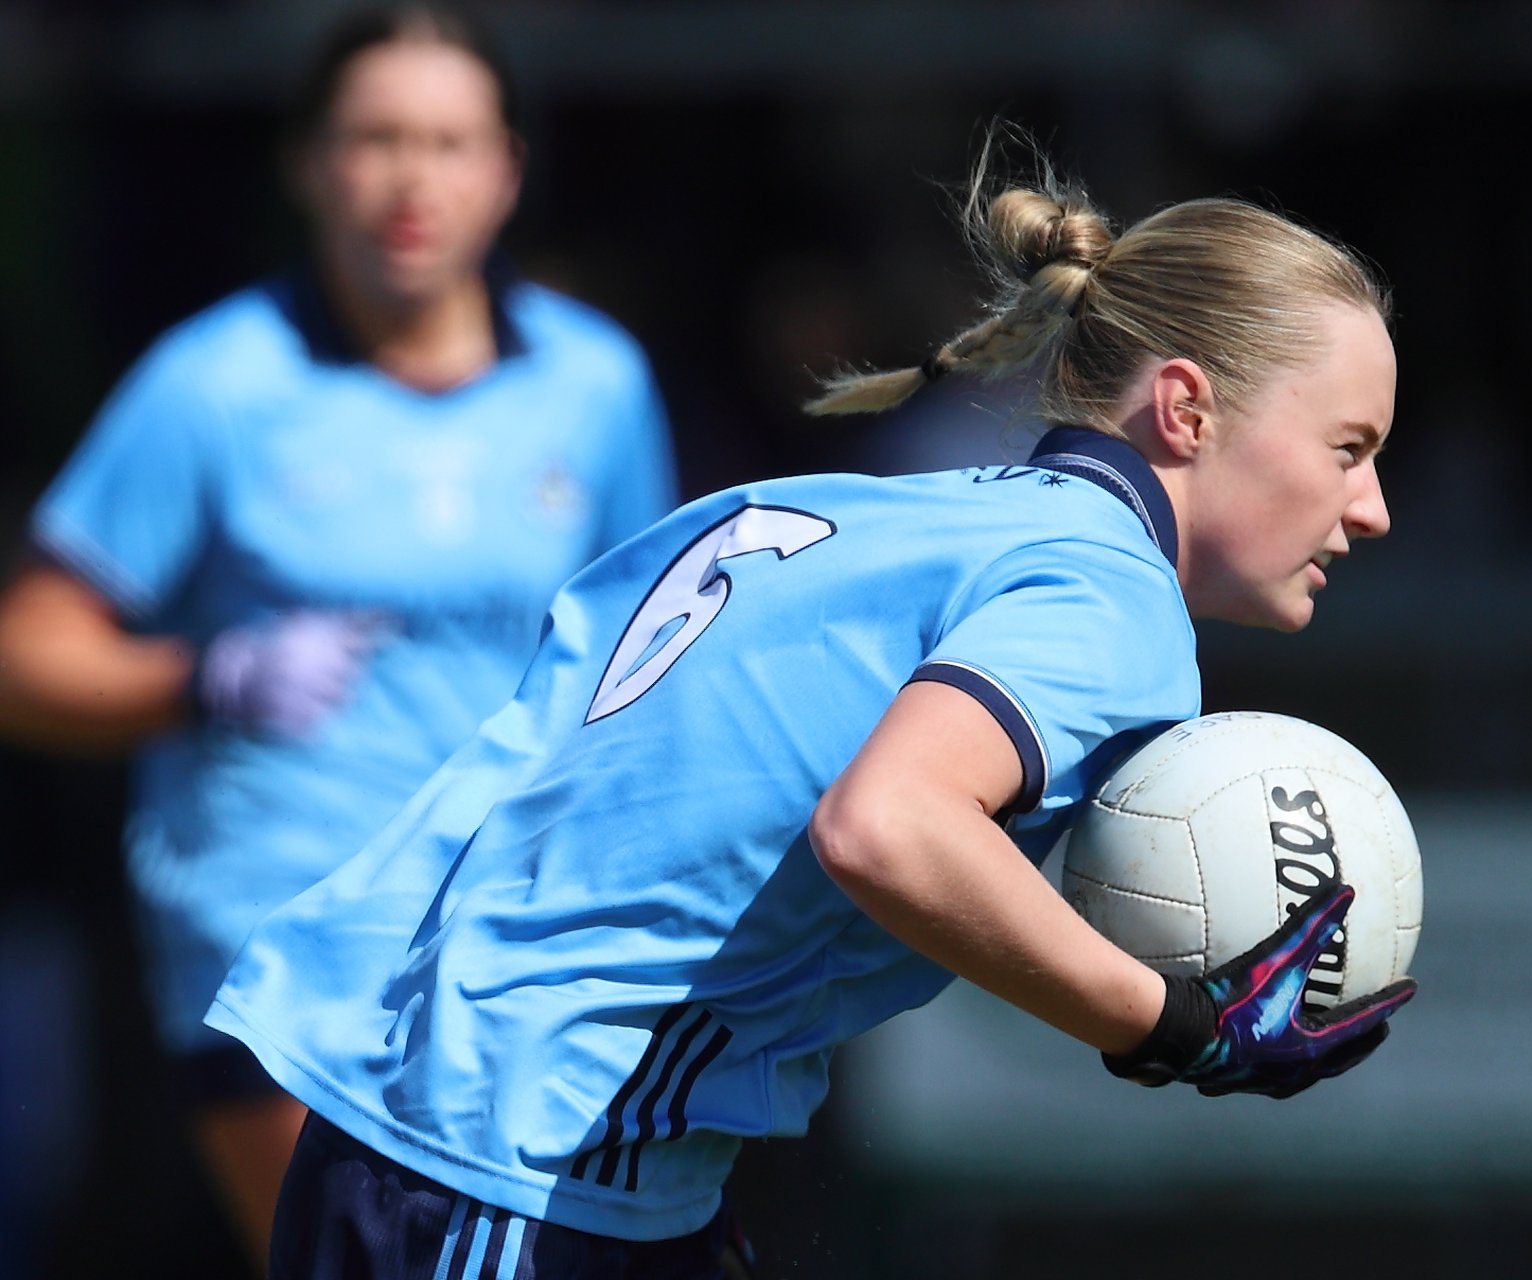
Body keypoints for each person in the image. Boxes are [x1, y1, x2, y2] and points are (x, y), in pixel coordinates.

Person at [206, 149, 1418, 1280]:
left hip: (516, 1142)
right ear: (1188, 409)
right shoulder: (1111, 597)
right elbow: (885, 827)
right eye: (1347, 446)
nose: (1371, 508)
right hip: (509, 1156)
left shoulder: (915, 512)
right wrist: (1172, 1024)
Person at [0, 5, 677, 1270]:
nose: (412, 179)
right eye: (375, 139)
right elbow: (24, 653)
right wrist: (205, 677)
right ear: (308, 164)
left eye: (448, 142)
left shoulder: (595, 386)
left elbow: (650, 660)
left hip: (516, 944)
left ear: (506, 171)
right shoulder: (215, 382)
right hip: (278, 944)